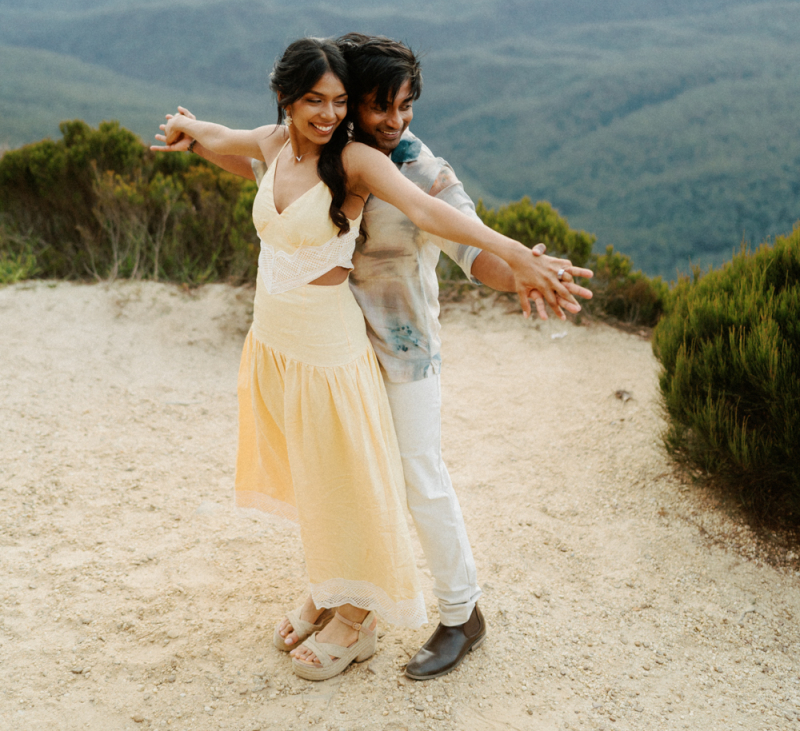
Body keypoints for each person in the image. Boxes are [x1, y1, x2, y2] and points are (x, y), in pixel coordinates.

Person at [154, 35, 592, 680]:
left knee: (417, 478)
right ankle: (338, 589)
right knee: (335, 475)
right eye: (380, 107)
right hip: (326, 346)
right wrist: (192, 132)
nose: (396, 120)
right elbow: (264, 166)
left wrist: (523, 269)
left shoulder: (416, 169)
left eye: (406, 106)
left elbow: (473, 250)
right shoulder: (321, 149)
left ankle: (460, 614)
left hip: (401, 353)